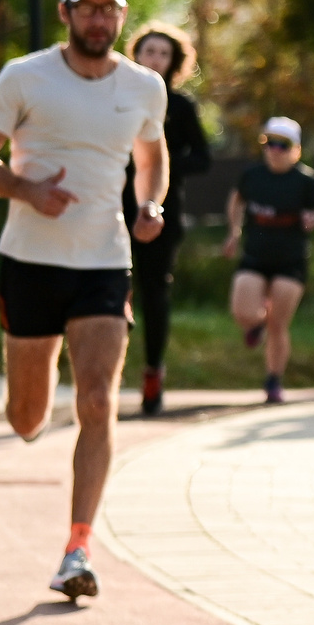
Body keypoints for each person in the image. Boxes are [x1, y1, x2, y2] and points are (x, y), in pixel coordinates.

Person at [0, 0, 169, 602]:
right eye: (88, 8)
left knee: (99, 402)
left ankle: (78, 546)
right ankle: (33, 394)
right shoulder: (25, 77)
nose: (99, 20)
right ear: (66, 13)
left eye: (110, 10)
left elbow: (151, 158)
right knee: (27, 417)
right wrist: (26, 189)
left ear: (122, 18)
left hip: (104, 260)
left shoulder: (144, 87)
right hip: (29, 260)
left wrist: (151, 203)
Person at [125, 22, 212, 417]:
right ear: (136, 55)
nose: (155, 59)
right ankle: (103, 373)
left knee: (155, 293)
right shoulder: (118, 98)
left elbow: (203, 157)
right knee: (112, 291)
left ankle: (153, 374)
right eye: (149, 51)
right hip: (113, 208)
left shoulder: (180, 107)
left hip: (162, 211)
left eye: (163, 53)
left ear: (174, 61)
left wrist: (159, 163)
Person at [222, 117, 314, 404]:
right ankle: (256, 323)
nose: (275, 149)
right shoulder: (253, 176)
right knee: (242, 312)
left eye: (283, 144)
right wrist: (234, 231)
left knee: (278, 325)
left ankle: (273, 379)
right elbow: (236, 200)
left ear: (296, 149)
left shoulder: (306, 180)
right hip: (256, 256)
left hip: (290, 260)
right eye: (270, 143)